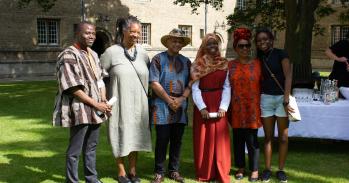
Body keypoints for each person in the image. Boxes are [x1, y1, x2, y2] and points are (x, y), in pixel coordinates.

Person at [53, 21, 111, 183]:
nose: (91, 36)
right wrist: (96, 103)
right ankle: (72, 180)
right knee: (75, 150)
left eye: (93, 33)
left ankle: (91, 179)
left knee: (91, 147)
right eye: (87, 33)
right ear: (77, 34)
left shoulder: (92, 54)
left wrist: (104, 98)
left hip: (95, 109)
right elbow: (73, 88)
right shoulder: (68, 55)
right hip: (79, 109)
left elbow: (100, 79)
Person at [100, 16, 152, 183]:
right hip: (120, 103)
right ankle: (121, 172)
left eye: (138, 32)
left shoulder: (143, 54)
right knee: (121, 134)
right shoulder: (111, 52)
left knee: (135, 135)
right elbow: (98, 77)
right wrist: (103, 99)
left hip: (140, 105)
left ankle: (133, 171)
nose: (136, 35)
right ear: (124, 31)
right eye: (132, 31)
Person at [149, 28, 191, 183]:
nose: (177, 43)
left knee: (177, 140)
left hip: (180, 106)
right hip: (161, 105)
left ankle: (174, 170)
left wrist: (181, 100)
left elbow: (191, 83)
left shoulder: (187, 61)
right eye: (174, 40)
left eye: (180, 41)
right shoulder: (158, 59)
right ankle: (159, 171)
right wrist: (169, 100)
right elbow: (154, 82)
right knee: (162, 139)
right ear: (167, 42)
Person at [191, 33, 231, 183]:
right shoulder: (197, 65)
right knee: (204, 138)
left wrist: (223, 107)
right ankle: (205, 171)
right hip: (204, 103)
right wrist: (201, 107)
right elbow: (195, 88)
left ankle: (221, 170)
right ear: (204, 46)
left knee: (220, 139)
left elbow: (227, 87)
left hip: (219, 102)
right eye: (209, 44)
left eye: (215, 43)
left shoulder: (224, 63)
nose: (213, 46)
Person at [255, 28, 293, 183]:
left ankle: (281, 170)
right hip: (266, 99)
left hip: (281, 100)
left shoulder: (281, 54)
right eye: (259, 40)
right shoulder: (258, 58)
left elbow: (288, 76)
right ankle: (267, 169)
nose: (262, 42)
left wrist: (286, 98)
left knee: (283, 138)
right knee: (268, 137)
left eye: (265, 39)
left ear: (271, 39)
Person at [228, 28, 262, 182]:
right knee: (238, 139)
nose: (245, 49)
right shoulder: (229, 65)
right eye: (241, 46)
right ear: (235, 48)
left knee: (252, 141)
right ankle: (240, 167)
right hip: (235, 109)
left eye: (247, 45)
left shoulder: (258, 64)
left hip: (253, 109)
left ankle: (254, 170)